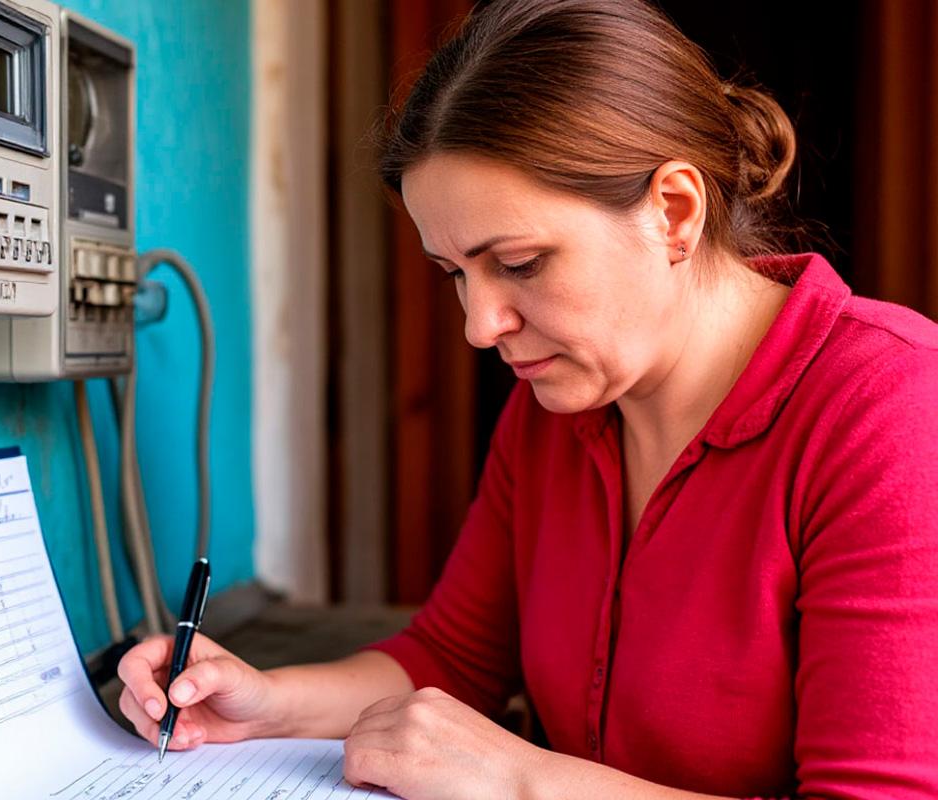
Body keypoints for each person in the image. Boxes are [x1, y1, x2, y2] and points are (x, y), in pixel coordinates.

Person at [118, 1, 938, 797]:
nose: (481, 326)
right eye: (454, 276)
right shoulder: (558, 406)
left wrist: (520, 777)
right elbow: (455, 656)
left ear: (674, 212)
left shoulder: (889, 411)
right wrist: (263, 703)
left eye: (518, 262)